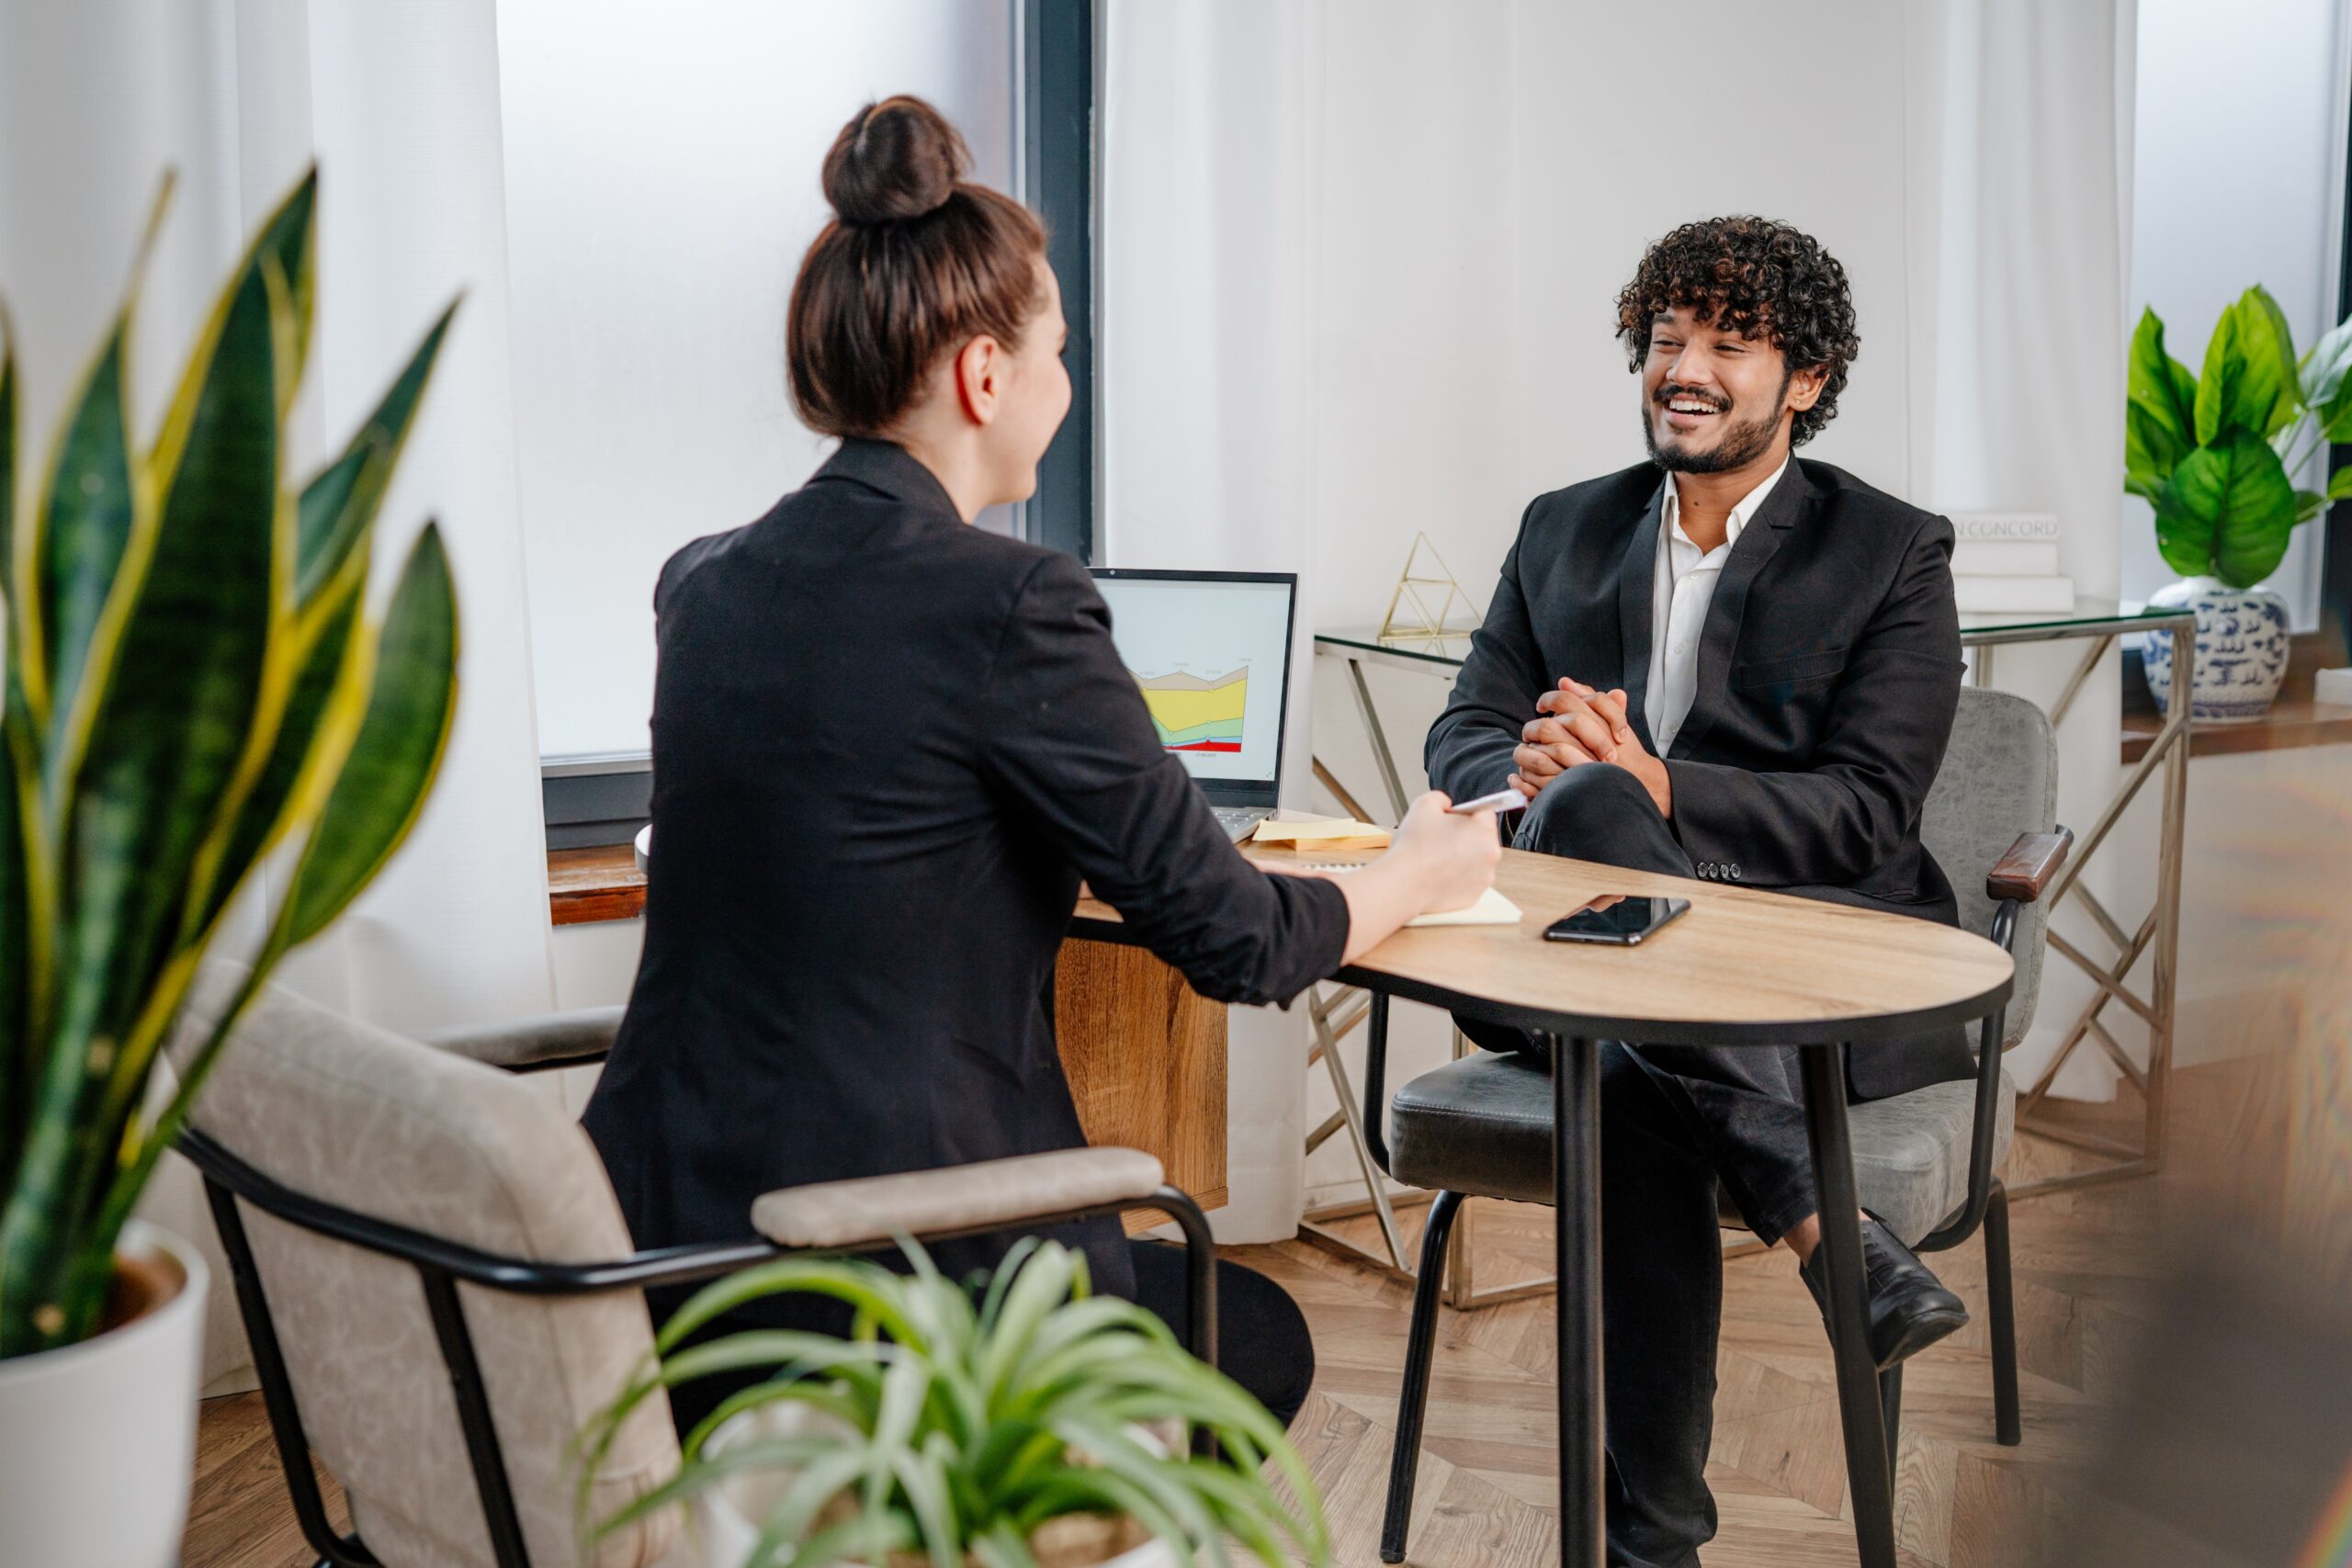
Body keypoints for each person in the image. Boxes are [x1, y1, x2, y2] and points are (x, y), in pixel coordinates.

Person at [582, 96, 1500, 1435]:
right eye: (1059, 352)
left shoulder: (703, 583)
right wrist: (1415, 870)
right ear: (983, 375)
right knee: (1251, 1339)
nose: (1067, 387)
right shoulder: (1012, 601)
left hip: (668, 1251)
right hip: (884, 1282)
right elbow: (1238, 940)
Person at [1424, 215, 1972, 1568]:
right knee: (1589, 808)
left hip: (1801, 971)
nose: (1689, 367)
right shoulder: (1564, 527)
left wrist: (1651, 790)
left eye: (1732, 342)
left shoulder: (1894, 550)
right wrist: (1537, 767)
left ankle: (1653, 1541)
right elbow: (1462, 736)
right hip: (1569, 951)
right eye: (1669, 338)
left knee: (1621, 1074)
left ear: (1808, 379)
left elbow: (1867, 811)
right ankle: (1826, 1233)